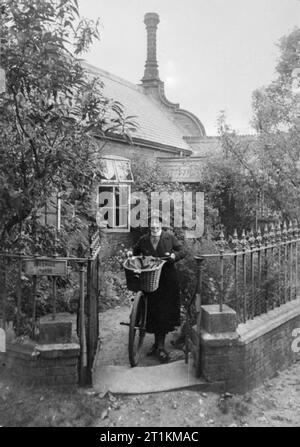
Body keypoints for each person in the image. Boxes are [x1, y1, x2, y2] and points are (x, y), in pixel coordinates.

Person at [130, 217, 186, 363]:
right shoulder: (144, 239)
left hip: (167, 280)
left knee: (164, 312)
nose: (154, 227)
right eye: (152, 224)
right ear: (150, 225)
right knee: (153, 312)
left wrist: (175, 256)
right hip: (150, 279)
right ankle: (156, 345)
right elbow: (134, 251)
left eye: (157, 224)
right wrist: (132, 256)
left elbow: (182, 250)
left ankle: (160, 346)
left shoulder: (169, 237)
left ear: (161, 224)